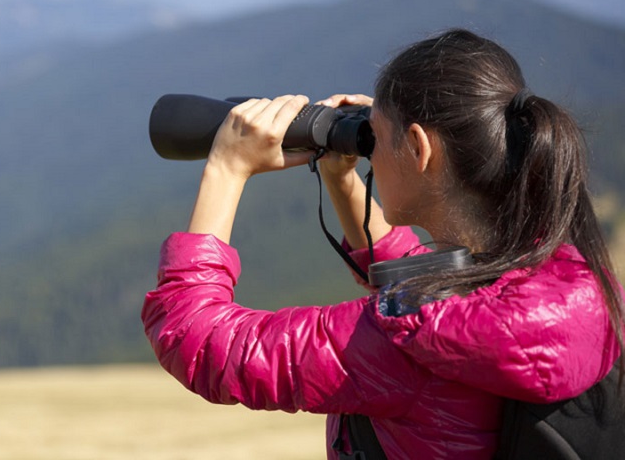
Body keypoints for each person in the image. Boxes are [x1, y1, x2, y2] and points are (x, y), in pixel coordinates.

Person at [141, 29, 625, 459]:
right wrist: (343, 178)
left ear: (419, 147)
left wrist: (228, 167)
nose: (370, 148)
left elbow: (196, 339)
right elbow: (434, 293)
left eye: (378, 136)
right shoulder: (568, 282)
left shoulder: (402, 346)